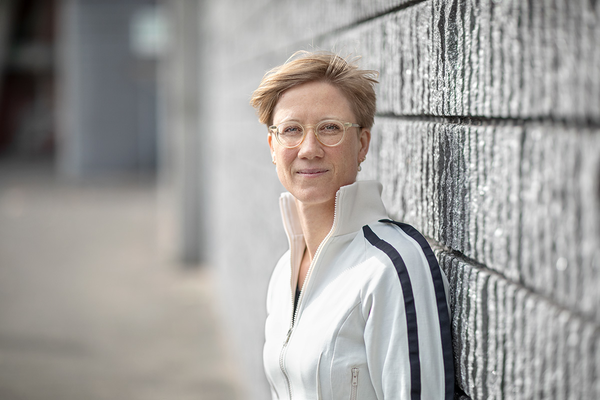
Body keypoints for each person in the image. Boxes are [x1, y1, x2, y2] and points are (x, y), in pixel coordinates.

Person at [250, 51, 454, 400]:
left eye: (330, 128)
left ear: (362, 144)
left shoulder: (391, 266)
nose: (308, 149)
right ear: (273, 146)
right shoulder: (284, 271)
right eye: (291, 130)